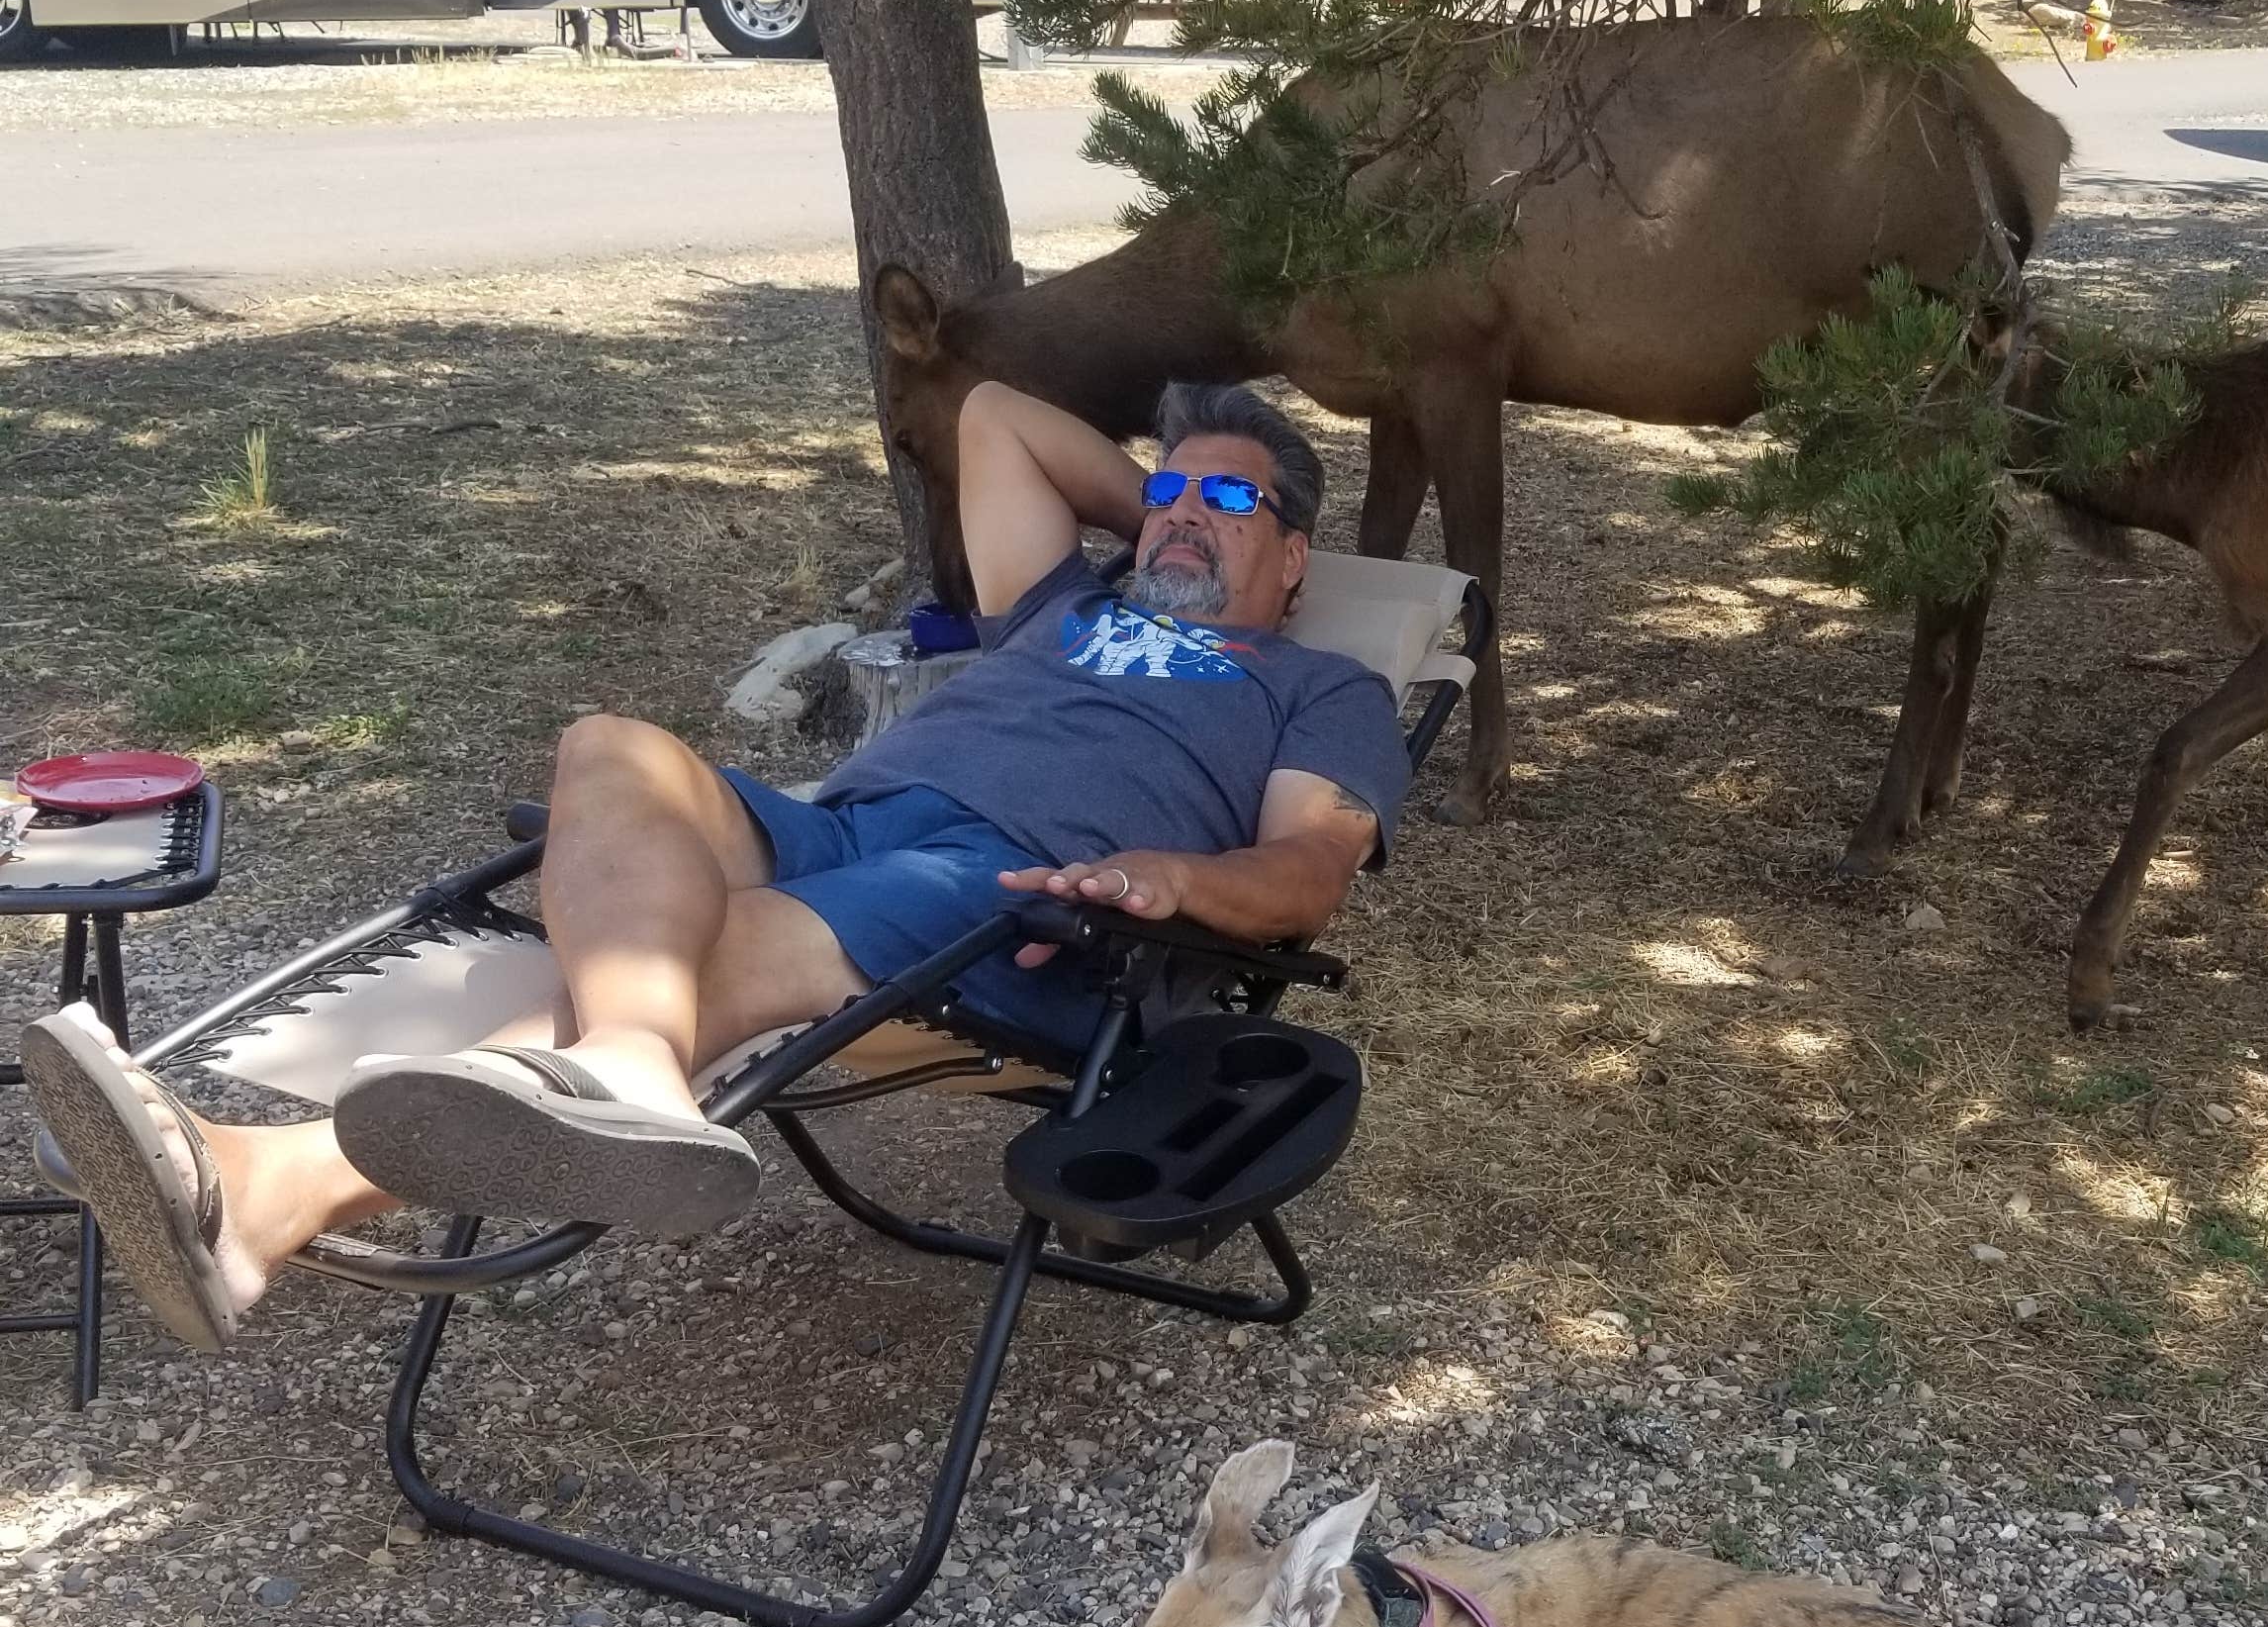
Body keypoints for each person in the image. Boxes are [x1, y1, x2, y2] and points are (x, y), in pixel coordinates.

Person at [19, 379, 1407, 1353]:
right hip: (855, 816)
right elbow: (996, 419)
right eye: (1162, 490)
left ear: (1296, 557)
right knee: (611, 746)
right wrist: (1176, 498)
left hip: (1019, 899)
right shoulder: (1065, 604)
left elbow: (1306, 874)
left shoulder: (1313, 681)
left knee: (723, 942)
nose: (1176, 509)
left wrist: (1175, 876)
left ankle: (265, 1191)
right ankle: (625, 1066)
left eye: (1232, 501)